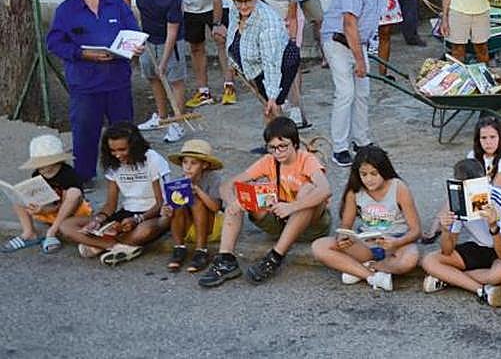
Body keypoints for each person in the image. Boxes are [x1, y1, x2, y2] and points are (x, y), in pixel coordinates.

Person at [198, 117, 332, 287]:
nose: (278, 152)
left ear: (295, 145)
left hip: (311, 225)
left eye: (283, 146)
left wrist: (292, 207)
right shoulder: (269, 161)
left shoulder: (306, 159)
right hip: (279, 222)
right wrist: (233, 202)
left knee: (308, 190)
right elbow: (227, 185)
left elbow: (325, 189)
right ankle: (226, 259)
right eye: (273, 148)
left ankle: (275, 257)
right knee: (243, 196)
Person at [46, 0, 142, 185]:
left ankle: (128, 172)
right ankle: (84, 178)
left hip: (117, 80)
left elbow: (134, 32)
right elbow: (54, 43)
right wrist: (82, 53)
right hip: (84, 84)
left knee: (124, 129)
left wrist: (137, 46)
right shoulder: (66, 10)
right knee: (85, 131)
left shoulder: (117, 5)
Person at [321, 0, 395, 166]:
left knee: (362, 93)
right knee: (346, 93)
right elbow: (349, 24)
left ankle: (361, 141)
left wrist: (364, 52)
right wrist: (360, 60)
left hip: (359, 42)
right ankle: (339, 147)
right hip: (338, 40)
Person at [311, 146, 421, 291]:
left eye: (374, 174)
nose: (368, 179)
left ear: (384, 171)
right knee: (319, 247)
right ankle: (372, 277)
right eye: (363, 174)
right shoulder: (355, 191)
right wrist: (342, 238)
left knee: (409, 260)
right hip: (367, 243)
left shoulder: (398, 188)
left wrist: (397, 242)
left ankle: (365, 269)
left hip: (395, 242)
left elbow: (416, 230)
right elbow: (345, 226)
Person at [60, 123, 170, 266]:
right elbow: (110, 205)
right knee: (66, 226)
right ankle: (114, 246)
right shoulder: (113, 164)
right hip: (127, 212)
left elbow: (160, 202)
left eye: (122, 149)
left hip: (152, 213)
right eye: (113, 150)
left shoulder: (152, 159)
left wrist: (137, 220)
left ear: (134, 146)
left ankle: (100, 244)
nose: (117, 155)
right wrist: (98, 220)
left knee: (145, 231)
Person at [420, 158, 501, 307]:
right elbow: (447, 250)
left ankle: (448, 278)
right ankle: (482, 290)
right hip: (478, 245)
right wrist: (445, 229)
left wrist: (493, 226)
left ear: (486, 180)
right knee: (429, 260)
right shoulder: (457, 200)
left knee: (499, 274)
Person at [122, 0, 188, 144]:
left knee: (175, 80)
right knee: (153, 76)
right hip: (147, 37)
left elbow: (172, 32)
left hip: (171, 40)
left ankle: (177, 122)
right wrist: (127, 15)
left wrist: (164, 61)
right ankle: (160, 116)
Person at [166, 0, 236, 107]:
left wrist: (217, 24)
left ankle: (229, 87)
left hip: (215, 5)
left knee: (221, 41)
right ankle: (203, 92)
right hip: (191, 10)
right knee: (196, 48)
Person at [219, 0, 300, 125]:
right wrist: (233, 62)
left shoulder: (268, 23)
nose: (243, 5)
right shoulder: (234, 9)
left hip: (283, 60)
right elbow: (232, 34)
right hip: (256, 61)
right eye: (239, 1)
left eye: (248, 0)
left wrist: (272, 95)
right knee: (268, 105)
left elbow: (271, 63)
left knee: (272, 106)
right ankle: (274, 139)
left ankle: (279, 141)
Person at [2, 135, 90, 254]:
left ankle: (52, 232)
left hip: (71, 212)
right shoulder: (37, 174)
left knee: (74, 193)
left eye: (43, 163)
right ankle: (29, 233)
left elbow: (65, 204)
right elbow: (41, 199)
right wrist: (38, 208)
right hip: (49, 210)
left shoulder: (68, 174)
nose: (40, 167)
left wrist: (46, 209)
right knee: (18, 197)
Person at [257, 0, 308, 127]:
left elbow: (292, 16)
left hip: (291, 22)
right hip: (272, 26)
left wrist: (292, 41)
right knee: (274, 64)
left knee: (292, 64)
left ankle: (296, 107)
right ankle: (281, 98)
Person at [163, 139, 224, 273]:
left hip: (211, 227)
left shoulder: (214, 179)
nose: (188, 167)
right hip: (189, 228)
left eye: (193, 163)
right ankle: (179, 247)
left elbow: (216, 207)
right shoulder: (180, 181)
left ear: (205, 165)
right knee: (178, 201)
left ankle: (201, 250)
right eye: (185, 162)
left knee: (196, 201)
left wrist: (197, 190)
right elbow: (169, 209)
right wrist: (167, 209)